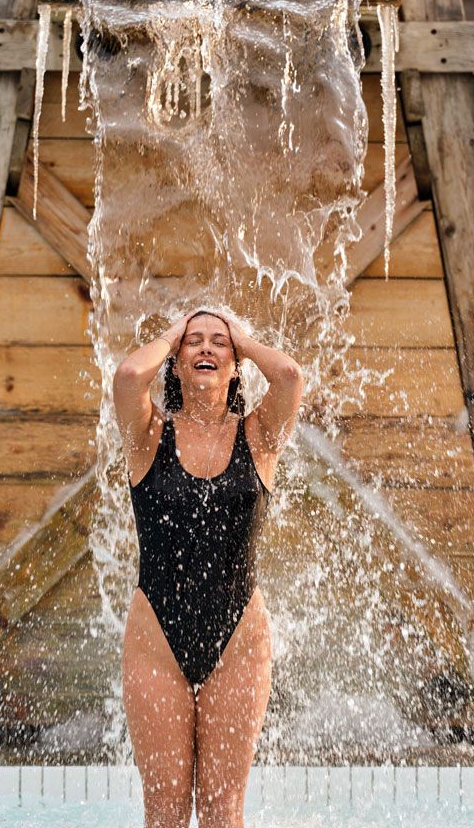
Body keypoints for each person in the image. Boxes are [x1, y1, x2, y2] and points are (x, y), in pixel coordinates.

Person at [113, 309, 303, 827]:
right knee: (166, 812)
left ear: (237, 365)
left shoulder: (259, 437)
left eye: (218, 344)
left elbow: (287, 376)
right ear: (174, 363)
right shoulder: (148, 435)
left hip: (239, 638)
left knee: (223, 812)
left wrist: (240, 337)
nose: (206, 349)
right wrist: (176, 335)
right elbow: (130, 376)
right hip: (157, 637)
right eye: (194, 343)